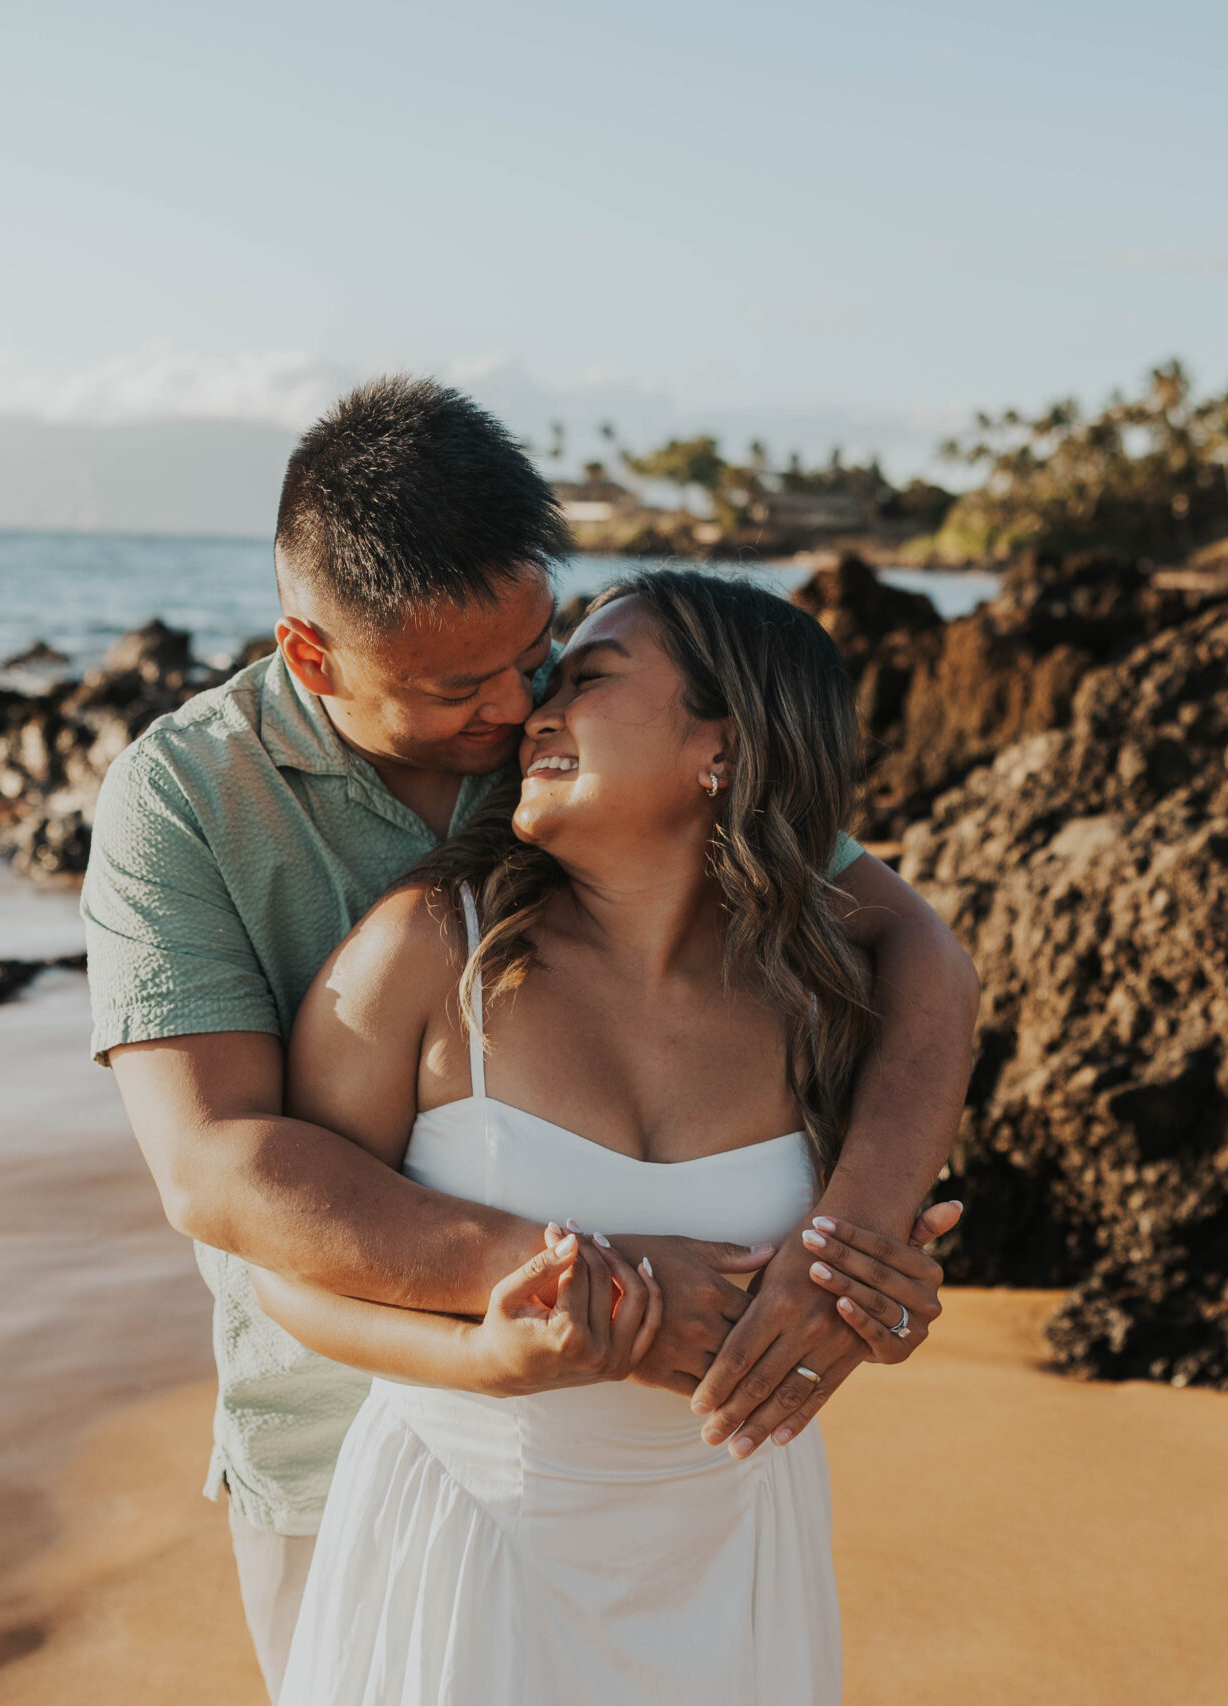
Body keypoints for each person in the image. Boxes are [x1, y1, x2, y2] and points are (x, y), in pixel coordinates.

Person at [82, 377, 977, 1698]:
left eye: (539, 649)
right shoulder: (189, 799)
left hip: (703, 1507)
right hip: (347, 1449)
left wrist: (853, 1253)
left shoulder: (589, 751)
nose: (515, 706)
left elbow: (921, 953)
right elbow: (214, 1168)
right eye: (463, 684)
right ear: (315, 655)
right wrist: (598, 1290)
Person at [261, 569, 963, 1703]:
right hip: (465, 1538)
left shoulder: (826, 1002)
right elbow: (282, 1273)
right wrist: (481, 1359)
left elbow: (849, 1265)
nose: (535, 709)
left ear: (720, 748)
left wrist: (875, 1298)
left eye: (587, 679)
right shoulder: (430, 950)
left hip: (734, 1550)